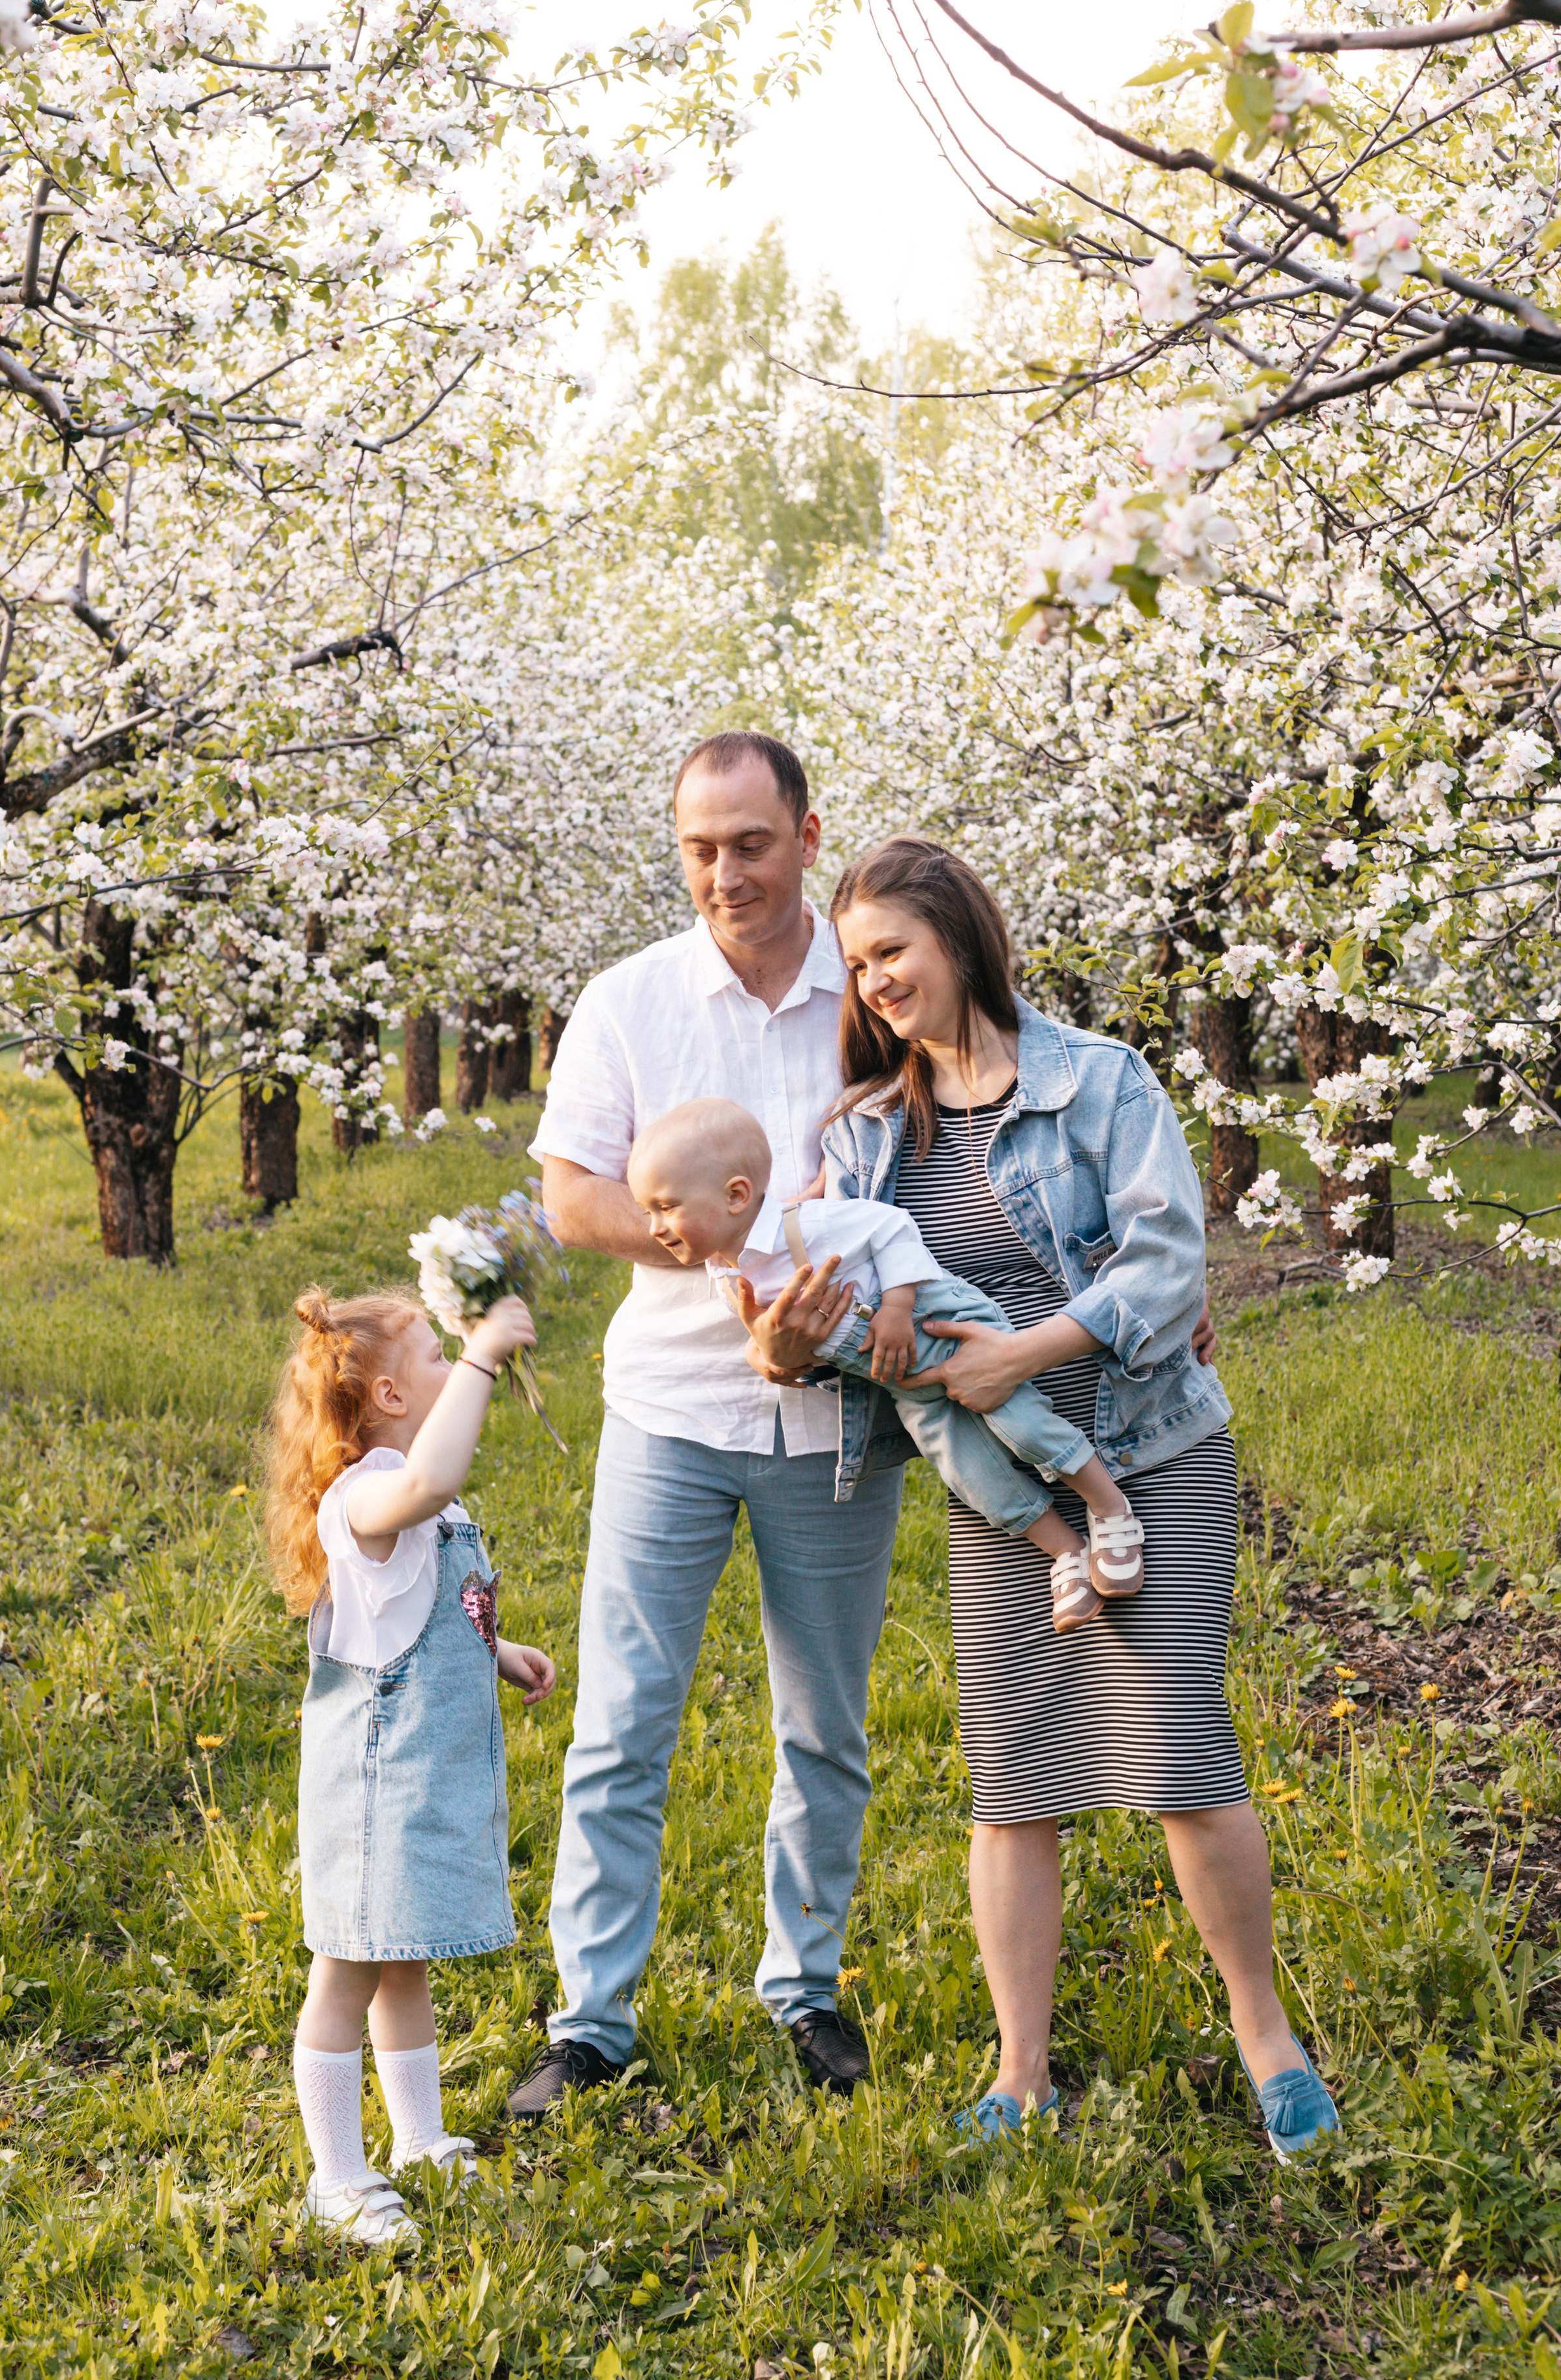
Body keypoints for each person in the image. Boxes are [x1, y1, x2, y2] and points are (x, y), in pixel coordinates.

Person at [742, 834, 1340, 2163]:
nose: (877, 982)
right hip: (1000, 1485)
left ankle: (1264, 2038)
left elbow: (1168, 1259)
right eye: (857, 966)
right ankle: (1019, 2072)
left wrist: (1028, 1349)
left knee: (1181, 1755)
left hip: (1154, 1449)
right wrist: (798, 1336)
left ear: (958, 938)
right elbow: (823, 1304)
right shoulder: (860, 1133)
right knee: (1011, 1785)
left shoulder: (1100, 1082)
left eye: (892, 951)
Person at [507, 730, 919, 2119]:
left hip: (839, 1419)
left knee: (824, 1724)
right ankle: (592, 2021)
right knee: (621, 1724)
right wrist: (736, 1270)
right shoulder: (629, 999)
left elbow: (973, 1132)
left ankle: (803, 1987)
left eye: (750, 843)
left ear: (808, 837)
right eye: (698, 848)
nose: (724, 873)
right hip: (670, 1413)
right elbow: (570, 1200)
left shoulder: (871, 993)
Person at [266, 1283, 557, 2242]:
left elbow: (417, 1610)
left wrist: (497, 1651)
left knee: (404, 1964)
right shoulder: (370, 1497)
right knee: (348, 1968)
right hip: (373, 1789)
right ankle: (336, 2178)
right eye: (434, 1358)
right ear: (389, 1399)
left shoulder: (423, 1498)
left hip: (420, 1777)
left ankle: (419, 2139)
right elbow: (426, 1486)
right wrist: (484, 1357)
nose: (451, 1368)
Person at [625, 1095, 1145, 1630]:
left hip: (936, 1324)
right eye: (647, 1212)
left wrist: (896, 1308)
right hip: (900, 1380)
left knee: (1022, 1424)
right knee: (969, 1471)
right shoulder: (725, 1275)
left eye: (665, 1207)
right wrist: (764, 1352)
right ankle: (1066, 1554)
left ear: (736, 1195)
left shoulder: (803, 1226)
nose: (652, 1228)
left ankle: (1109, 1508)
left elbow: (890, 1227)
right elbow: (772, 1339)